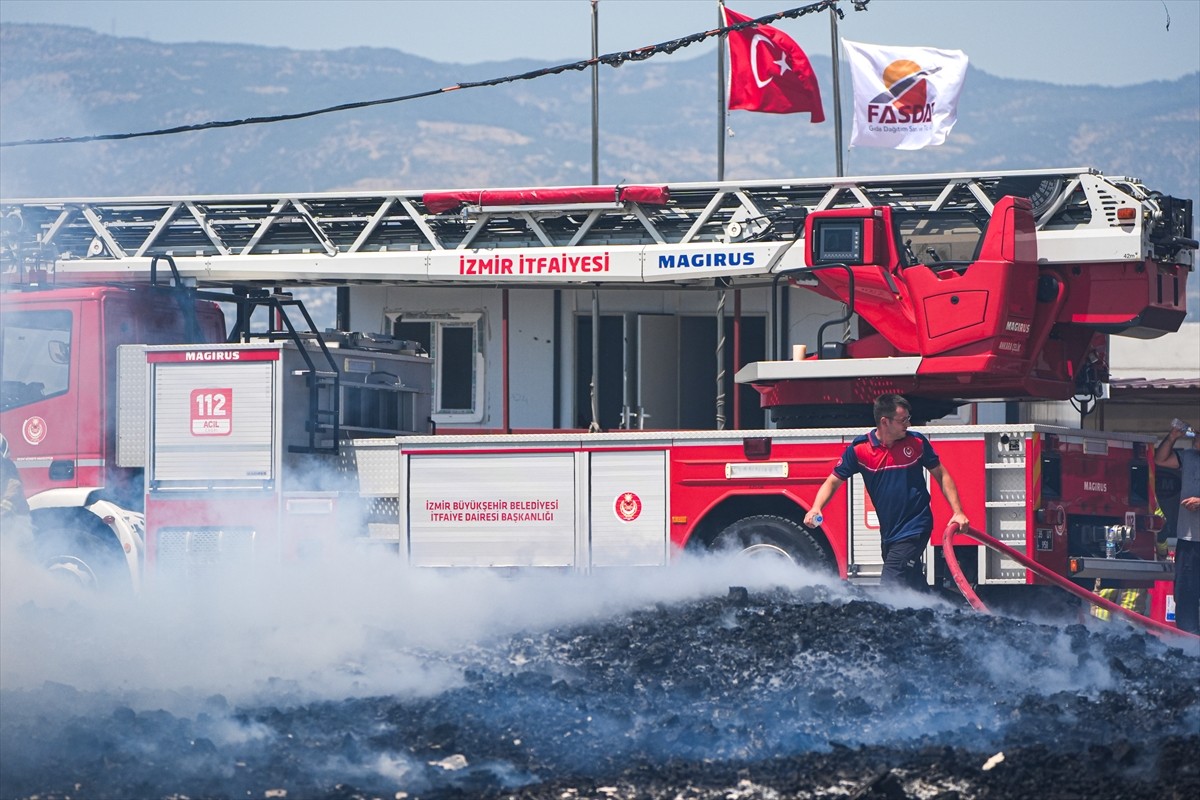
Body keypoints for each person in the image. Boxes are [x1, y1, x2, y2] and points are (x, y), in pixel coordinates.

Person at [804, 394, 969, 591]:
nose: (908, 424)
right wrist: (816, 508)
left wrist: (958, 511)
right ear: (885, 421)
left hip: (916, 526)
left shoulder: (916, 443)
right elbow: (832, 481)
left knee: (891, 582)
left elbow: (942, 475)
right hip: (890, 532)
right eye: (902, 420)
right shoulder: (860, 450)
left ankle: (885, 620)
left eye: (908, 418)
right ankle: (946, 614)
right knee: (913, 583)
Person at [1154, 419, 1200, 634]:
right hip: (1189, 541)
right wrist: (1172, 436)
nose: (1196, 439)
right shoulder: (1189, 458)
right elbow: (1161, 459)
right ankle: (1189, 646)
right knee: (1185, 594)